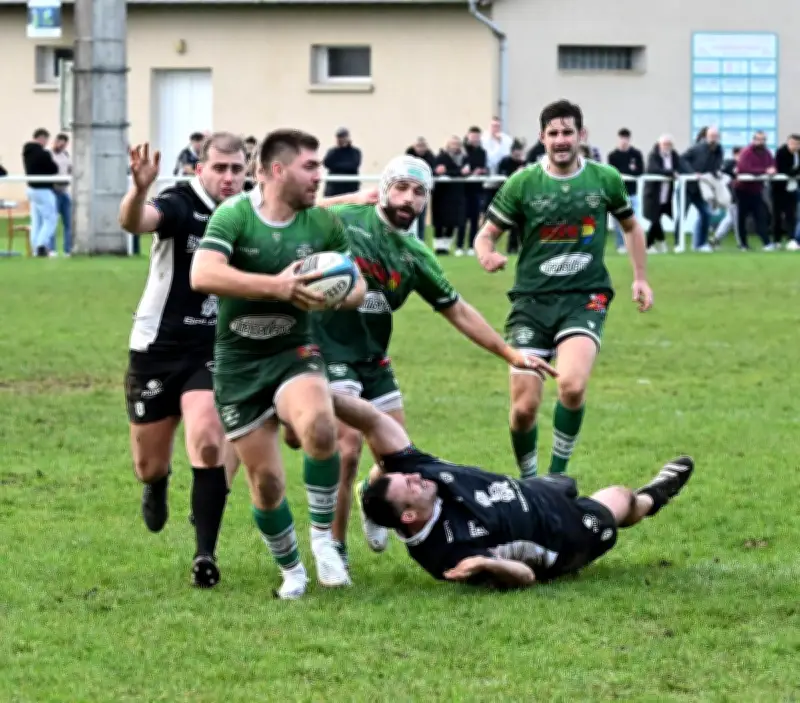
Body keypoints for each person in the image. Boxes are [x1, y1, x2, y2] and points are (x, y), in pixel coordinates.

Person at [285, 154, 556, 564]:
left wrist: (510, 353)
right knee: (348, 446)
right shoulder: (345, 220)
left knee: (397, 458)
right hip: (327, 350)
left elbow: (458, 310)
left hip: (373, 359)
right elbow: (295, 212)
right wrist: (354, 196)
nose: (408, 198)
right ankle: (334, 548)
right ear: (384, 189)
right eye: (400, 188)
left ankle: (368, 492)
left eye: (418, 192)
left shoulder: (415, 254)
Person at [190, 128, 368, 600]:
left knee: (321, 428)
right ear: (275, 169)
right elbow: (202, 274)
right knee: (266, 483)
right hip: (239, 363)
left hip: (294, 351)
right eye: (310, 166)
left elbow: (359, 286)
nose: (319, 175)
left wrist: (335, 295)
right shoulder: (235, 215)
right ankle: (292, 571)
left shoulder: (322, 224)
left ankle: (324, 540)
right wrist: (278, 287)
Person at [334, 392, 693, 589]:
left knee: (569, 484)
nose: (416, 477)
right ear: (410, 515)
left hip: (535, 489)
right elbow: (526, 577)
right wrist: (489, 564)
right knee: (621, 499)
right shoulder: (445, 553)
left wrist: (319, 392)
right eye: (410, 485)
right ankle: (654, 495)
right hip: (560, 534)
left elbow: (373, 421)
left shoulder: (420, 473)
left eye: (409, 476)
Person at [474, 99, 653, 479]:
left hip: (585, 298)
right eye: (553, 133)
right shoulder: (522, 183)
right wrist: (486, 254)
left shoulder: (605, 179)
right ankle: (530, 482)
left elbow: (631, 227)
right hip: (531, 303)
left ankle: (555, 477)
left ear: (581, 135)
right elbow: (485, 234)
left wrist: (640, 277)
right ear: (542, 138)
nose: (560, 140)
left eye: (567, 132)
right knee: (524, 409)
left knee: (571, 386)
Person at [119, 132, 248, 588]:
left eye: (237, 169)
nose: (229, 178)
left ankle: (204, 554)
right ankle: (156, 484)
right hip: (157, 347)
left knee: (209, 439)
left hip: (213, 348)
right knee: (148, 465)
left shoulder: (249, 211)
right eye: (220, 168)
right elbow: (136, 221)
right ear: (200, 169)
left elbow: (303, 210)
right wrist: (139, 190)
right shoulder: (180, 203)